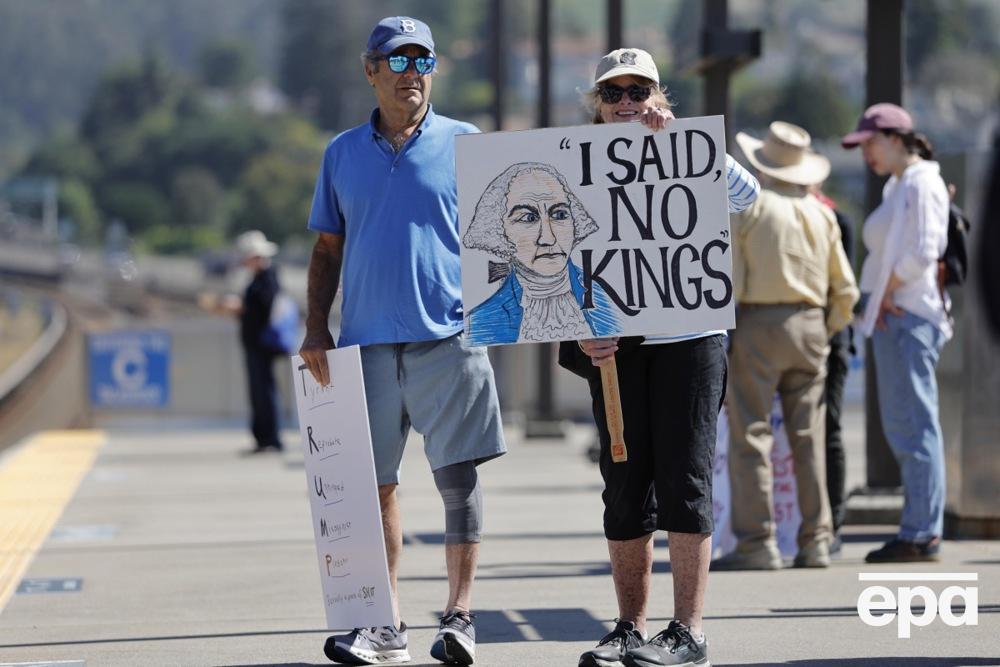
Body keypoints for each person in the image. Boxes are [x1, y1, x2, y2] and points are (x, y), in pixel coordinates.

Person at [298, 16, 506, 666]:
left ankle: (460, 615)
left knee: (457, 480)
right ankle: (384, 623)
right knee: (373, 489)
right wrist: (315, 327)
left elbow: (504, 237)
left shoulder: (467, 144)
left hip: (450, 337)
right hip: (365, 344)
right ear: (370, 71)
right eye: (396, 60)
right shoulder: (341, 153)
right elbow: (326, 248)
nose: (410, 73)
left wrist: (500, 316)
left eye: (422, 60)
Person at [559, 48, 759, 667]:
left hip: (690, 340)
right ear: (597, 104)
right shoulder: (571, 161)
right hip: (615, 346)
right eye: (612, 93)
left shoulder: (687, 147)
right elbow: (555, 254)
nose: (626, 103)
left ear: (657, 96)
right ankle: (629, 627)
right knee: (623, 487)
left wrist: (686, 145)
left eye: (637, 91)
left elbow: (748, 196)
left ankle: (688, 632)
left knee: (686, 482)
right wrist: (578, 327)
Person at [715, 122, 858, 572]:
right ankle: (816, 540)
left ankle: (758, 542)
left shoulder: (750, 207)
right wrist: (826, 328)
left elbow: (732, 278)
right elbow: (846, 290)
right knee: (809, 437)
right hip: (812, 324)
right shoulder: (822, 213)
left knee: (751, 435)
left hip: (759, 322)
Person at [842, 103, 951, 563]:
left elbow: (926, 250)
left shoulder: (920, 181)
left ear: (893, 138)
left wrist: (885, 293)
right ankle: (919, 527)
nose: (866, 152)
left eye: (870, 142)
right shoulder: (902, 183)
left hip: (908, 316)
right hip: (899, 315)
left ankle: (922, 532)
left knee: (913, 425)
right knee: (906, 425)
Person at [462, 161, 619, 344]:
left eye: (560, 215)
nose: (548, 238)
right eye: (528, 218)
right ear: (499, 230)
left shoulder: (609, 300)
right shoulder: (481, 321)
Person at [201, 230, 287, 454]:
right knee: (258, 392)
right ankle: (262, 438)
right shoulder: (259, 279)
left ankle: (270, 438)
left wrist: (240, 307)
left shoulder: (268, 278)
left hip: (262, 344)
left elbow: (263, 309)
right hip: (255, 343)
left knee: (264, 391)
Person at [811, 185, 857, 555]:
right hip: (817, 336)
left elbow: (843, 289)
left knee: (829, 429)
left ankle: (834, 521)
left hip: (829, 335)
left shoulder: (836, 219)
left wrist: (830, 332)